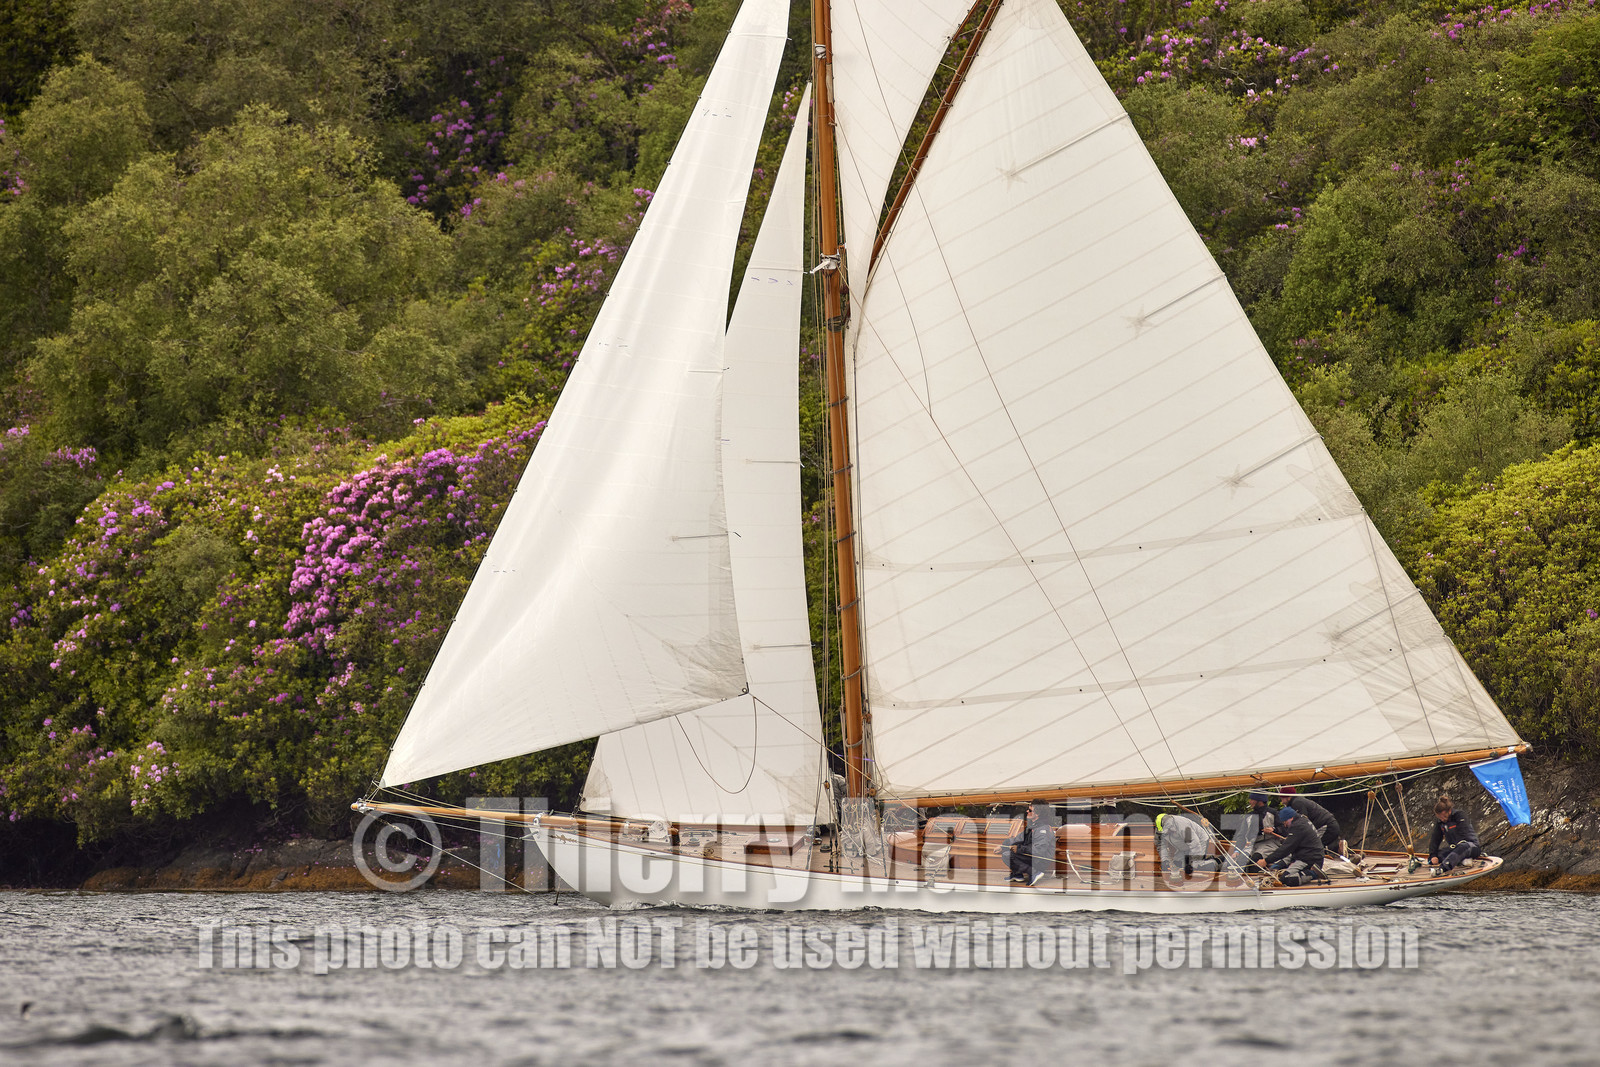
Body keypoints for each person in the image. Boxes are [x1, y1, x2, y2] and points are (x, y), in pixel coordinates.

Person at [1250, 806, 1325, 886]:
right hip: (1302, 854)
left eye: (1285, 821)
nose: (1285, 825)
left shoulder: (1298, 826)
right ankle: (1276, 869)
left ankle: (1313, 873)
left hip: (1310, 859)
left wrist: (1266, 861)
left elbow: (1285, 849)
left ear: (1291, 818)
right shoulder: (1301, 819)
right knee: (1275, 867)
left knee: (1285, 878)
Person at [999, 800, 1057, 884]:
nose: (1027, 811)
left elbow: (1039, 851)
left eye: (1030, 810)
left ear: (1037, 814)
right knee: (1006, 851)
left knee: (1008, 855)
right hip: (1032, 856)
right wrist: (1003, 846)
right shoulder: (1033, 826)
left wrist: (1019, 849)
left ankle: (1035, 872)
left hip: (1040, 860)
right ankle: (1017, 874)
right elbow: (1018, 839)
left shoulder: (1043, 829)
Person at [1427, 795, 1481, 875]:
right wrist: (1433, 856)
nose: (1443, 819)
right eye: (1440, 818)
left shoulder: (1460, 815)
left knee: (1462, 847)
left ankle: (1442, 870)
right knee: (1439, 855)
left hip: (1470, 846)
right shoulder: (1440, 822)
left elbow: (1463, 833)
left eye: (1444, 816)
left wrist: (1456, 848)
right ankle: (1460, 860)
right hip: (1455, 848)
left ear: (1449, 811)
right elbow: (1435, 839)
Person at [1155, 811, 1212, 881]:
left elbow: (1195, 845)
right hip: (1183, 846)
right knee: (1177, 864)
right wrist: (1165, 860)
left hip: (1199, 842)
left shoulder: (1182, 826)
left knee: (1197, 867)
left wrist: (1192, 865)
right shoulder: (1160, 828)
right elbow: (1161, 845)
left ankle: (1218, 862)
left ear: (1171, 826)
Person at [1229, 792, 1276, 864]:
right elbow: (1242, 835)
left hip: (1269, 844)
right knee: (1241, 861)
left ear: (1259, 801)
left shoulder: (1272, 813)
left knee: (1253, 861)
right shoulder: (1249, 816)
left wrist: (1274, 829)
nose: (1250, 802)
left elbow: (1284, 830)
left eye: (1252, 800)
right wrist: (1237, 851)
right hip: (1253, 845)